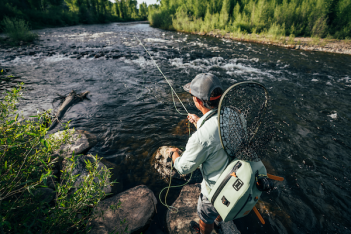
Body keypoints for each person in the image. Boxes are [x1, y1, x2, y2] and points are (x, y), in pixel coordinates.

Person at [167, 73, 229, 234]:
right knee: (223, 207)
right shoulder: (234, 114)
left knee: (205, 216)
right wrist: (199, 121)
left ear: (198, 101)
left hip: (216, 189)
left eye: (193, 95)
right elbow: (215, 131)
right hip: (236, 178)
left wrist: (174, 154)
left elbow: (183, 168)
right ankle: (219, 220)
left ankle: (205, 230)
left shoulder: (200, 138)